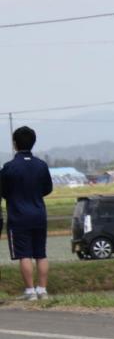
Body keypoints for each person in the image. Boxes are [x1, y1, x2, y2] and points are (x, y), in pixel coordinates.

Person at [1, 126, 53, 300]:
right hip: (39, 213)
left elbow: (3, 191)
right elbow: (48, 188)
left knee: (24, 254)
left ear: (15, 144)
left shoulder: (9, 167)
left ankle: (30, 291)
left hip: (18, 215)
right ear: (33, 142)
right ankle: (43, 290)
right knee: (41, 253)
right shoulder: (41, 165)